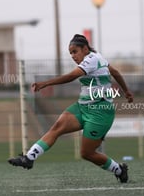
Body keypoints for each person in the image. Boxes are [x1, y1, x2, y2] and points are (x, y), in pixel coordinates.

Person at [8, 34, 134, 183]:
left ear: (85, 48)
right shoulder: (97, 58)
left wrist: (46, 83)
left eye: (75, 51)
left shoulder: (92, 60)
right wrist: (126, 91)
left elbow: (71, 76)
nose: (73, 56)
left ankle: (119, 170)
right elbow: (115, 72)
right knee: (56, 128)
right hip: (82, 107)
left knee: (87, 153)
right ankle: (29, 158)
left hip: (100, 112)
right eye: (71, 53)